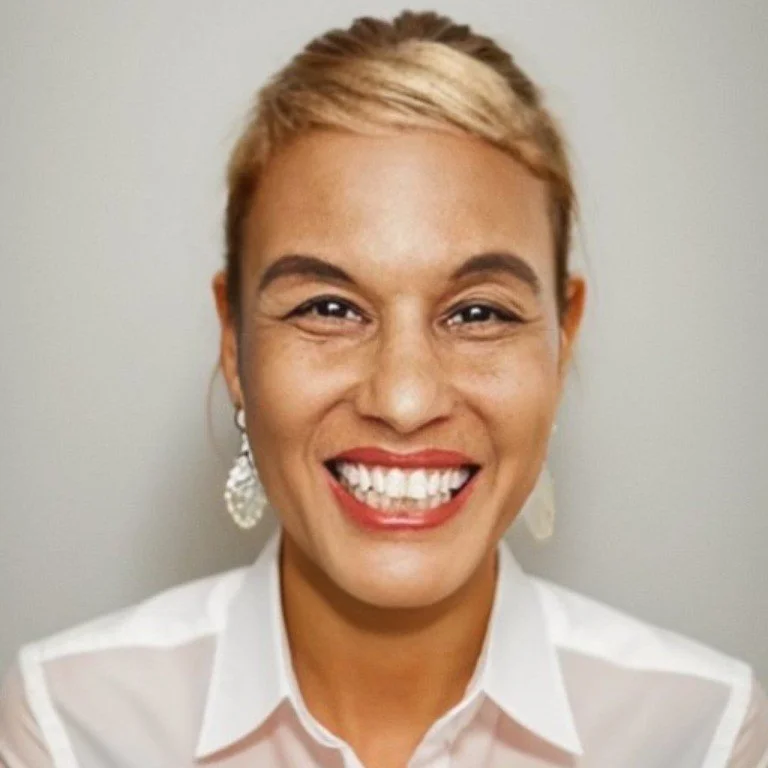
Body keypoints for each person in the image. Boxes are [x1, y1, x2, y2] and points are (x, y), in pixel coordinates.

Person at [1, 9, 766, 768]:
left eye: (478, 313)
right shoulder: (69, 724)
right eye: (328, 309)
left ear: (560, 341)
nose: (403, 400)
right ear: (235, 341)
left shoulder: (704, 734)